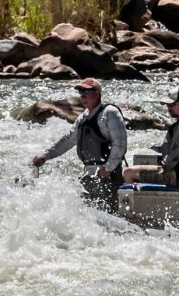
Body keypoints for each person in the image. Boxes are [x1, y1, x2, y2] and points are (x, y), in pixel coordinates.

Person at [32, 77, 127, 211]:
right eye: (80, 92)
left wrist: (108, 168)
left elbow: (120, 143)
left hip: (108, 175)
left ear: (97, 93)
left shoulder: (110, 112)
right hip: (89, 174)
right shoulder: (83, 117)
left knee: (109, 212)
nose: (82, 95)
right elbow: (68, 140)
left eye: (86, 92)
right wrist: (46, 156)